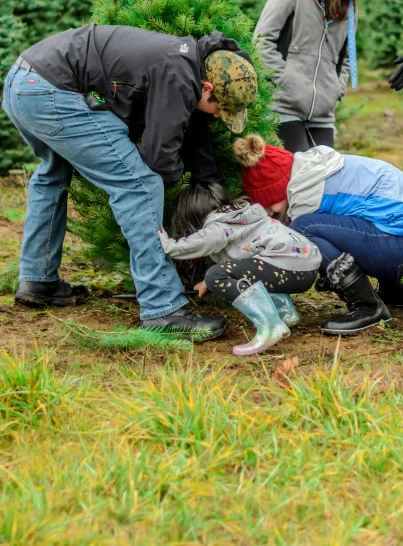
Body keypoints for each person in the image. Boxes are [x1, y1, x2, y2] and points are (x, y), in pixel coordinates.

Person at [2, 23, 257, 340]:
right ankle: (162, 307)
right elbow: (159, 157)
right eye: (219, 107)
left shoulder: (182, 58)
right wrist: (176, 188)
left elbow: (100, 92)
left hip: (28, 82)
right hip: (52, 91)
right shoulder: (179, 76)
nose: (218, 115)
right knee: (139, 186)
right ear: (206, 88)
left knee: (53, 173)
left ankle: (38, 280)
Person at [233, 134, 403, 336]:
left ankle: (368, 308)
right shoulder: (318, 169)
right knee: (365, 218)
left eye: (267, 204)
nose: (268, 212)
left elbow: (297, 250)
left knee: (301, 229)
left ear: (278, 190)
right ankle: (394, 291)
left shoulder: (307, 196)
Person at [253, 0, 381, 153]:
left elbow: (344, 59)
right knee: (299, 174)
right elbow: (261, 41)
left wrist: (335, 89)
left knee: (325, 177)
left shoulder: (349, 11)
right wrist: (282, 82)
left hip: (322, 113)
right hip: (283, 107)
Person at [158, 182, 321, 356]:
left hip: (286, 267)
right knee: (256, 266)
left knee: (216, 275)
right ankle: (284, 313)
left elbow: (193, 245)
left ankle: (271, 327)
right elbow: (245, 263)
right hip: (306, 267)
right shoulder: (241, 215)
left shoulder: (217, 226)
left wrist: (167, 245)